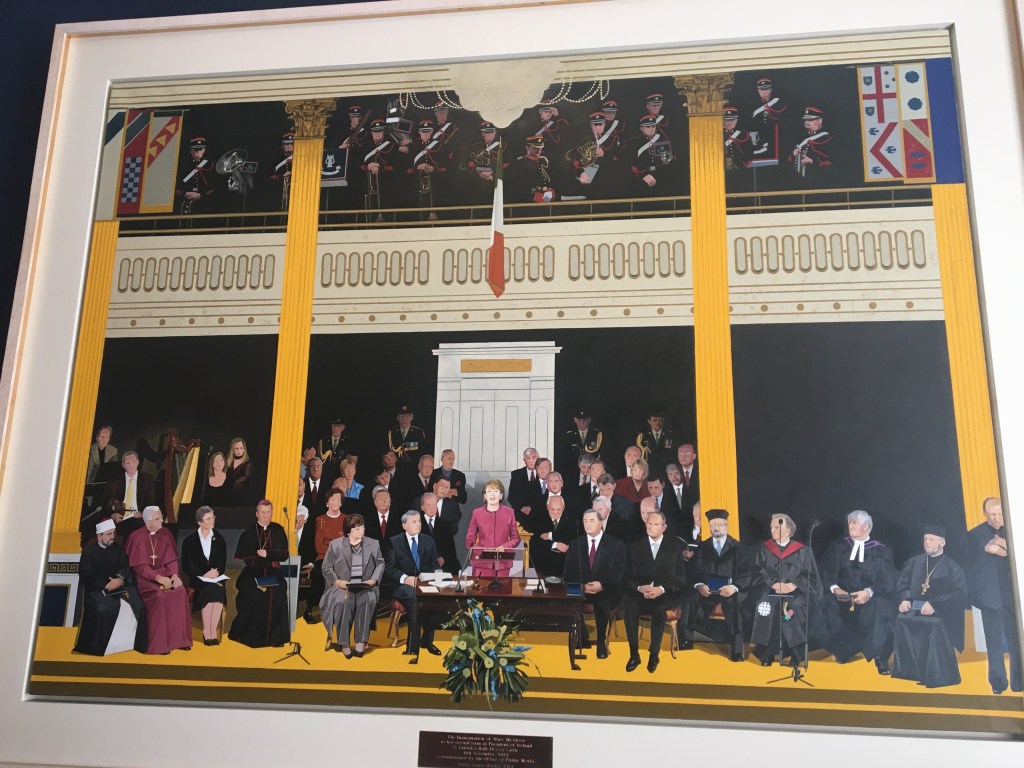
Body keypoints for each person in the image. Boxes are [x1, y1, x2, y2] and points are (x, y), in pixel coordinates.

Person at [818, 510, 897, 674]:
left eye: (854, 522)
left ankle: (879, 657)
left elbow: (888, 581)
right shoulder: (839, 547)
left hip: (869, 601)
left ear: (866, 526)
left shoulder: (881, 551)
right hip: (841, 598)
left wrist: (869, 592)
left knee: (882, 607)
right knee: (825, 604)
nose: (850, 525)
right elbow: (826, 573)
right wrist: (835, 589)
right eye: (849, 522)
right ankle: (843, 650)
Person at [892, 524, 969, 688]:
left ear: (942, 542)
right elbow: (903, 584)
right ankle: (911, 672)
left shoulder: (953, 567)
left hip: (941, 613)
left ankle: (936, 674)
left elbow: (959, 594)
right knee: (901, 620)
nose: (927, 542)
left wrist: (935, 605)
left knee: (933, 625)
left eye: (931, 539)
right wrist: (904, 599)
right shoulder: (913, 563)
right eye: (925, 539)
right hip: (914, 609)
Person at [961, 498, 1021, 694]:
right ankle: (998, 683)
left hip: (1014, 597)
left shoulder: (1015, 529)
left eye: (1000, 514)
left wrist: (1006, 545)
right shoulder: (974, 535)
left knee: (1017, 642)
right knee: (993, 644)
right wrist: (984, 549)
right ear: (984, 513)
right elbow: (968, 564)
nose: (996, 518)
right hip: (989, 597)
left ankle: (1019, 682)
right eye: (992, 514)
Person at [750, 514, 822, 667]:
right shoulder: (765, 549)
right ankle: (767, 653)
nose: (772, 530)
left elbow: (811, 577)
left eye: (777, 527)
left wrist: (793, 585)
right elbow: (757, 572)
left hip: (797, 593)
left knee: (789, 609)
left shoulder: (803, 551)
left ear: (788, 530)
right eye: (772, 527)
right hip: (771, 590)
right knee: (765, 606)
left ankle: (795, 653)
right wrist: (773, 584)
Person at [682, 509, 752, 661]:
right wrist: (699, 585)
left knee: (734, 605)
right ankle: (686, 642)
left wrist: (733, 587)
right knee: (690, 600)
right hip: (707, 590)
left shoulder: (737, 547)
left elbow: (746, 573)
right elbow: (695, 570)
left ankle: (737, 651)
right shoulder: (703, 547)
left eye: (720, 525)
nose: (716, 528)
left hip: (729, 590)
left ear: (726, 526)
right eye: (713, 525)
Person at [623, 509, 685, 674]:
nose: (652, 527)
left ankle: (654, 654)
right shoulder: (636, 547)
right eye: (649, 524)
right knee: (629, 607)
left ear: (664, 527)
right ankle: (634, 654)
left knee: (659, 610)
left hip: (665, 593)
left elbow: (680, 578)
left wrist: (661, 589)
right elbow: (628, 576)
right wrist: (639, 587)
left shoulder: (674, 547)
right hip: (641, 593)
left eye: (656, 524)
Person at [124, 506, 193, 654]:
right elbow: (140, 567)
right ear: (148, 523)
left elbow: (171, 559)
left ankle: (179, 640)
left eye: (161, 516)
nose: (162, 520)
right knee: (159, 595)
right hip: (144, 579)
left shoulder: (165, 533)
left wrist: (174, 575)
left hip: (165, 575)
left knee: (180, 592)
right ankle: (159, 645)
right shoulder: (136, 537)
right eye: (158, 518)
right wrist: (158, 578)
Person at [74, 518, 146, 655]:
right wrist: (105, 584)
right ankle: (104, 647)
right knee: (104, 608)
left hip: (119, 585)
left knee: (138, 605)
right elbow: (87, 575)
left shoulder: (118, 549)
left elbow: (125, 566)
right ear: (99, 536)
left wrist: (119, 579)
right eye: (108, 534)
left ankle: (129, 644)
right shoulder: (89, 552)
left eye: (113, 533)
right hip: (97, 589)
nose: (112, 537)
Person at [564, 508, 626, 659]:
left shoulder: (615, 544)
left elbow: (619, 573)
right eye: (585, 521)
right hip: (582, 588)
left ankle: (601, 642)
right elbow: (567, 573)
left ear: (600, 523)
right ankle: (581, 637)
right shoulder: (575, 543)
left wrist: (601, 585)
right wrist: (582, 586)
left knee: (602, 602)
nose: (587, 524)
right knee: (569, 597)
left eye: (591, 520)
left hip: (606, 588)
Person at [320, 513, 384, 658]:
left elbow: (380, 563)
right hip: (343, 586)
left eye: (362, 527)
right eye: (357, 528)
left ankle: (361, 641)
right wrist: (337, 582)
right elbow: (326, 568)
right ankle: (344, 643)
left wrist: (374, 580)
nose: (361, 531)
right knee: (344, 602)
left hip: (365, 585)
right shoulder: (335, 545)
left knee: (366, 600)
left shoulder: (373, 544)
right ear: (348, 531)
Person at [228, 500, 290, 648]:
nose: (265, 515)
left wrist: (268, 553)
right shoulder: (248, 532)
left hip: (273, 571)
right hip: (252, 572)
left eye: (268, 512)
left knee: (279, 592)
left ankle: (275, 638)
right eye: (262, 512)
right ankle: (251, 637)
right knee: (254, 594)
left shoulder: (278, 530)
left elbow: (284, 554)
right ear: (257, 514)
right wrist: (260, 557)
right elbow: (245, 557)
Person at [387, 510, 442, 662]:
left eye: (419, 521)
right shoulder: (394, 542)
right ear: (404, 525)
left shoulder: (428, 541)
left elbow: (434, 565)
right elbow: (389, 569)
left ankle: (427, 641)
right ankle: (412, 648)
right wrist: (405, 579)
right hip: (402, 586)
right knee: (414, 598)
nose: (418, 524)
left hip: (424, 583)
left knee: (434, 599)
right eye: (414, 521)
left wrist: (436, 576)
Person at [180, 505, 228, 645]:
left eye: (213, 517)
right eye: (208, 518)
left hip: (216, 578)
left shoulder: (219, 538)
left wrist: (216, 571)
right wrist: (203, 575)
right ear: (200, 522)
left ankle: (213, 631)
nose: (212, 520)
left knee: (217, 590)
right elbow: (187, 565)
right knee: (208, 590)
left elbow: (222, 561)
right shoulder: (189, 541)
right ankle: (207, 632)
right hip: (197, 580)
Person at [303, 487, 347, 623]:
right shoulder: (320, 520)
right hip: (323, 556)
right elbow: (319, 544)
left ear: (341, 503)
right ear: (327, 502)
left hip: (342, 557)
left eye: (338, 500)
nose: (335, 503)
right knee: (319, 573)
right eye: (332, 500)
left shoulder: (346, 519)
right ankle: (310, 608)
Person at [465, 479, 520, 578]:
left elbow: (515, 538)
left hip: (502, 563)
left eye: (496, 491)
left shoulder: (509, 512)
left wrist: (504, 547)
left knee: (503, 588)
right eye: (489, 491)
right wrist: (482, 550)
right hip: (482, 562)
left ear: (501, 495)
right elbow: (469, 540)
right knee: (481, 588)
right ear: (485, 495)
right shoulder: (476, 513)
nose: (492, 495)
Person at [530, 494, 576, 579]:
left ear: (563, 507)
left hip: (565, 570)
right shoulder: (538, 521)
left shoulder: (572, 522)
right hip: (543, 569)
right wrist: (555, 545)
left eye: (558, 509)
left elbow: (569, 544)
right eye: (552, 509)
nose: (555, 512)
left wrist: (550, 536)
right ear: (547, 507)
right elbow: (535, 545)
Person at [104, 450, 155, 523]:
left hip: (139, 520)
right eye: (128, 463)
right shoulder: (114, 481)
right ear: (123, 465)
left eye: (133, 462)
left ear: (137, 462)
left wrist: (143, 514)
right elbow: (106, 502)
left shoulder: (147, 480)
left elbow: (151, 504)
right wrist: (113, 515)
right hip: (119, 520)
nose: (131, 466)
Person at [791, 105, 834, 181]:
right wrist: (794, 155)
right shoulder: (801, 139)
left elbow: (833, 162)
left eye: (810, 119)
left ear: (820, 120)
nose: (807, 122)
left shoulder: (828, 138)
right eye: (805, 119)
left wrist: (811, 161)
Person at [176, 135, 215, 214]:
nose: (197, 152)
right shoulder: (182, 164)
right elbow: (176, 184)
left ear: (204, 150)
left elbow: (214, 185)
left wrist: (201, 195)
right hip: (184, 197)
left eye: (200, 149)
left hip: (205, 201)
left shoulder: (210, 164)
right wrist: (184, 193)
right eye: (195, 149)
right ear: (190, 151)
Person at [420, 491, 458, 571]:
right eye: (428, 505)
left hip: (443, 568)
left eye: (434, 504)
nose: (432, 508)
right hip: (421, 568)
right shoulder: (416, 524)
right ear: (422, 507)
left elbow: (451, 551)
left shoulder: (445, 525)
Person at [508, 447, 542, 530]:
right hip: (521, 515)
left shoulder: (544, 474)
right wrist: (522, 508)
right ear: (524, 460)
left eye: (534, 458)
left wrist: (534, 509)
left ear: (538, 459)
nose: (531, 461)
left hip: (540, 514)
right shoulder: (516, 474)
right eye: (528, 458)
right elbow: (511, 497)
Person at [634, 410, 676, 475]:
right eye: (655, 420)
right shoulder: (642, 436)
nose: (657, 423)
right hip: (648, 471)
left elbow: (671, 454)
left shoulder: (669, 435)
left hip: (665, 471)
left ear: (663, 421)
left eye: (660, 420)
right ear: (649, 421)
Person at [226, 436, 254, 506]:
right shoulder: (228, 462)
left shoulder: (248, 463)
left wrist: (236, 483)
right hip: (228, 496)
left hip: (242, 496)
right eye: (236, 448)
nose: (239, 450)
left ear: (244, 449)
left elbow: (246, 476)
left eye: (241, 448)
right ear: (232, 450)